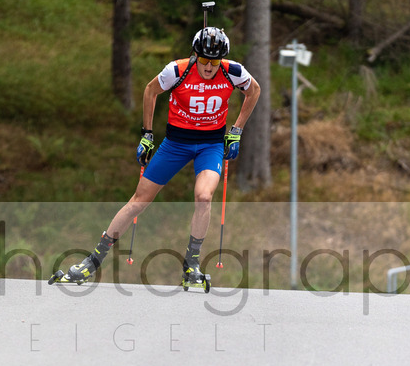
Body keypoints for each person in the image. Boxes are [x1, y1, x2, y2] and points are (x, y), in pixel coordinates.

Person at [53, 26, 262, 287]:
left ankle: (191, 265)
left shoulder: (233, 72)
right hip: (176, 144)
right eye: (204, 59)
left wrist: (237, 130)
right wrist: (147, 134)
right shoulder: (177, 70)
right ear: (195, 55)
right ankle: (92, 262)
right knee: (139, 201)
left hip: (210, 145)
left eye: (215, 61)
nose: (209, 66)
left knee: (204, 196)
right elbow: (150, 91)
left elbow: (254, 90)